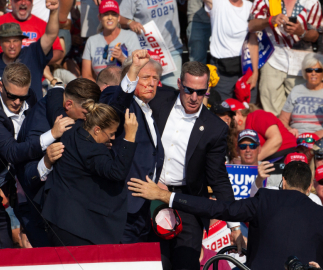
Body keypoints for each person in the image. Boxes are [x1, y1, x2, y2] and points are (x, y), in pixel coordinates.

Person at [128, 161, 323, 270]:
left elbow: (217, 208)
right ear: (309, 188)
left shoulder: (265, 199)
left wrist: (166, 195)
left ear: (283, 182)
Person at [147, 61, 244, 269]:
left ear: (207, 89)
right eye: (190, 90)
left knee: (186, 265)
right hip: (151, 194)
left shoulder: (215, 127)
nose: (194, 98)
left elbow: (218, 177)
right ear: (180, 83)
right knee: (155, 264)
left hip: (188, 202)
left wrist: (235, 227)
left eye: (200, 92)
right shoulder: (158, 100)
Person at [14, 78, 101, 247]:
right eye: (85, 114)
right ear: (68, 104)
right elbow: (27, 173)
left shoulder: (63, 105)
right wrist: (46, 162)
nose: (89, 119)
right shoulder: (40, 122)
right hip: (38, 209)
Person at [42, 103, 139, 246]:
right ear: (97, 129)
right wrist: (130, 136)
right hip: (77, 230)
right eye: (110, 134)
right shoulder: (92, 150)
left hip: (60, 220)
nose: (112, 138)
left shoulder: (73, 131)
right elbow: (117, 172)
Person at [0, 63, 70, 248]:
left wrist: (55, 83)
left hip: (33, 183)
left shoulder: (30, 97)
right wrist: (52, 135)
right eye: (11, 96)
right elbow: (12, 152)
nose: (17, 102)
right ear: (1, 87)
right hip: (6, 187)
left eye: (21, 97)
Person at [100, 50, 164, 244]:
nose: (152, 82)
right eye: (146, 77)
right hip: (121, 207)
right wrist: (134, 68)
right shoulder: (119, 96)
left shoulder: (148, 109)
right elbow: (114, 109)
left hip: (143, 209)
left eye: (155, 78)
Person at [248, 0, 323, 116]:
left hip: (300, 64)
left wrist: (301, 32)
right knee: (272, 113)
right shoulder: (265, 1)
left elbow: (315, 35)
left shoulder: (312, 2)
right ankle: (277, 134)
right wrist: (270, 20)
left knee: (300, 112)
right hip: (273, 59)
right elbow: (251, 25)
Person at [0, 0, 59, 100]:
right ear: (1, 43)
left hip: (32, 114)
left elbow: (50, 35)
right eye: (7, 41)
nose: (12, 45)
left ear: (22, 41)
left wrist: (53, 11)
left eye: (15, 41)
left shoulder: (33, 55)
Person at [119, 0, 183, 88]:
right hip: (146, 53)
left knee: (174, 91)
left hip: (171, 51)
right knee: (147, 91)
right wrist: (130, 22)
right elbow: (119, 17)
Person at [279, 53, 323, 140]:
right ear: (305, 72)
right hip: (297, 137)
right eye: (309, 70)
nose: (313, 73)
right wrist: (289, 130)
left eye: (318, 70)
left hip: (322, 139)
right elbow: (282, 120)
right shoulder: (296, 90)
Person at [205, 0, 257, 103]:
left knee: (247, 113)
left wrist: (255, 72)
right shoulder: (217, 3)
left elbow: (253, 41)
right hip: (222, 73)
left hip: (246, 71)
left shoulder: (250, 7)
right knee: (222, 114)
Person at [82, 0, 141, 82]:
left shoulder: (130, 36)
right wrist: (99, 89)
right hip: (99, 89)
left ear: (119, 17)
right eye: (106, 14)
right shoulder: (91, 41)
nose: (110, 17)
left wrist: (122, 58)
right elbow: (86, 75)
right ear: (99, 17)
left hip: (124, 86)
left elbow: (139, 68)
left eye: (114, 14)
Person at [0, 0, 64, 64]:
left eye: (28, 0)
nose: (23, 3)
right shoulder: (1, 21)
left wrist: (38, 63)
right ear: (11, 2)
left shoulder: (42, 25)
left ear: (32, 2)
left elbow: (58, 50)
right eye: (18, 0)